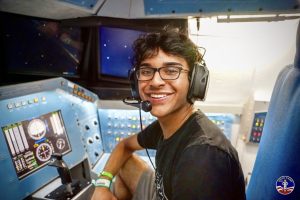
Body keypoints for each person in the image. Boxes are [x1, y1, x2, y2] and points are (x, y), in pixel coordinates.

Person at [91, 27, 246, 200]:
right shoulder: (166, 125)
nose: (155, 82)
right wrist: (102, 185)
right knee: (123, 163)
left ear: (195, 81)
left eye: (171, 71)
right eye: (146, 71)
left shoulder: (202, 157)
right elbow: (125, 146)